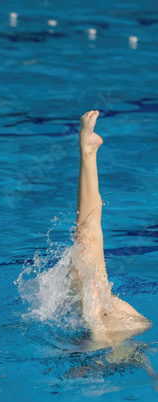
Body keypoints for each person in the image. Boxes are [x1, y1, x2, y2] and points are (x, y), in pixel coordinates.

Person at [71, 110, 151, 348]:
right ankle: (87, 153)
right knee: (86, 239)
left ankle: (88, 153)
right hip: (124, 323)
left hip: (122, 324)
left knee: (87, 239)